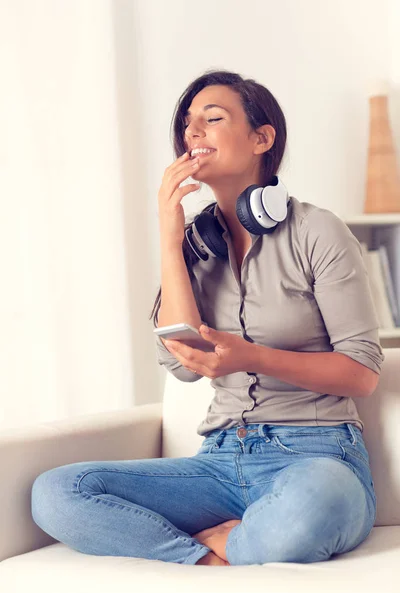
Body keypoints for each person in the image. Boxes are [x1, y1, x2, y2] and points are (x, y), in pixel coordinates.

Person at [31, 69, 384, 567]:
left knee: (312, 508)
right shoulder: (197, 246)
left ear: (262, 138)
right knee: (57, 492)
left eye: (212, 118)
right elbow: (183, 362)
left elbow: (362, 372)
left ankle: (231, 541)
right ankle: (210, 556)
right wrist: (170, 239)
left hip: (317, 455)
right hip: (219, 461)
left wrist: (252, 357)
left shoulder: (318, 231)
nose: (191, 132)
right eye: (186, 124)